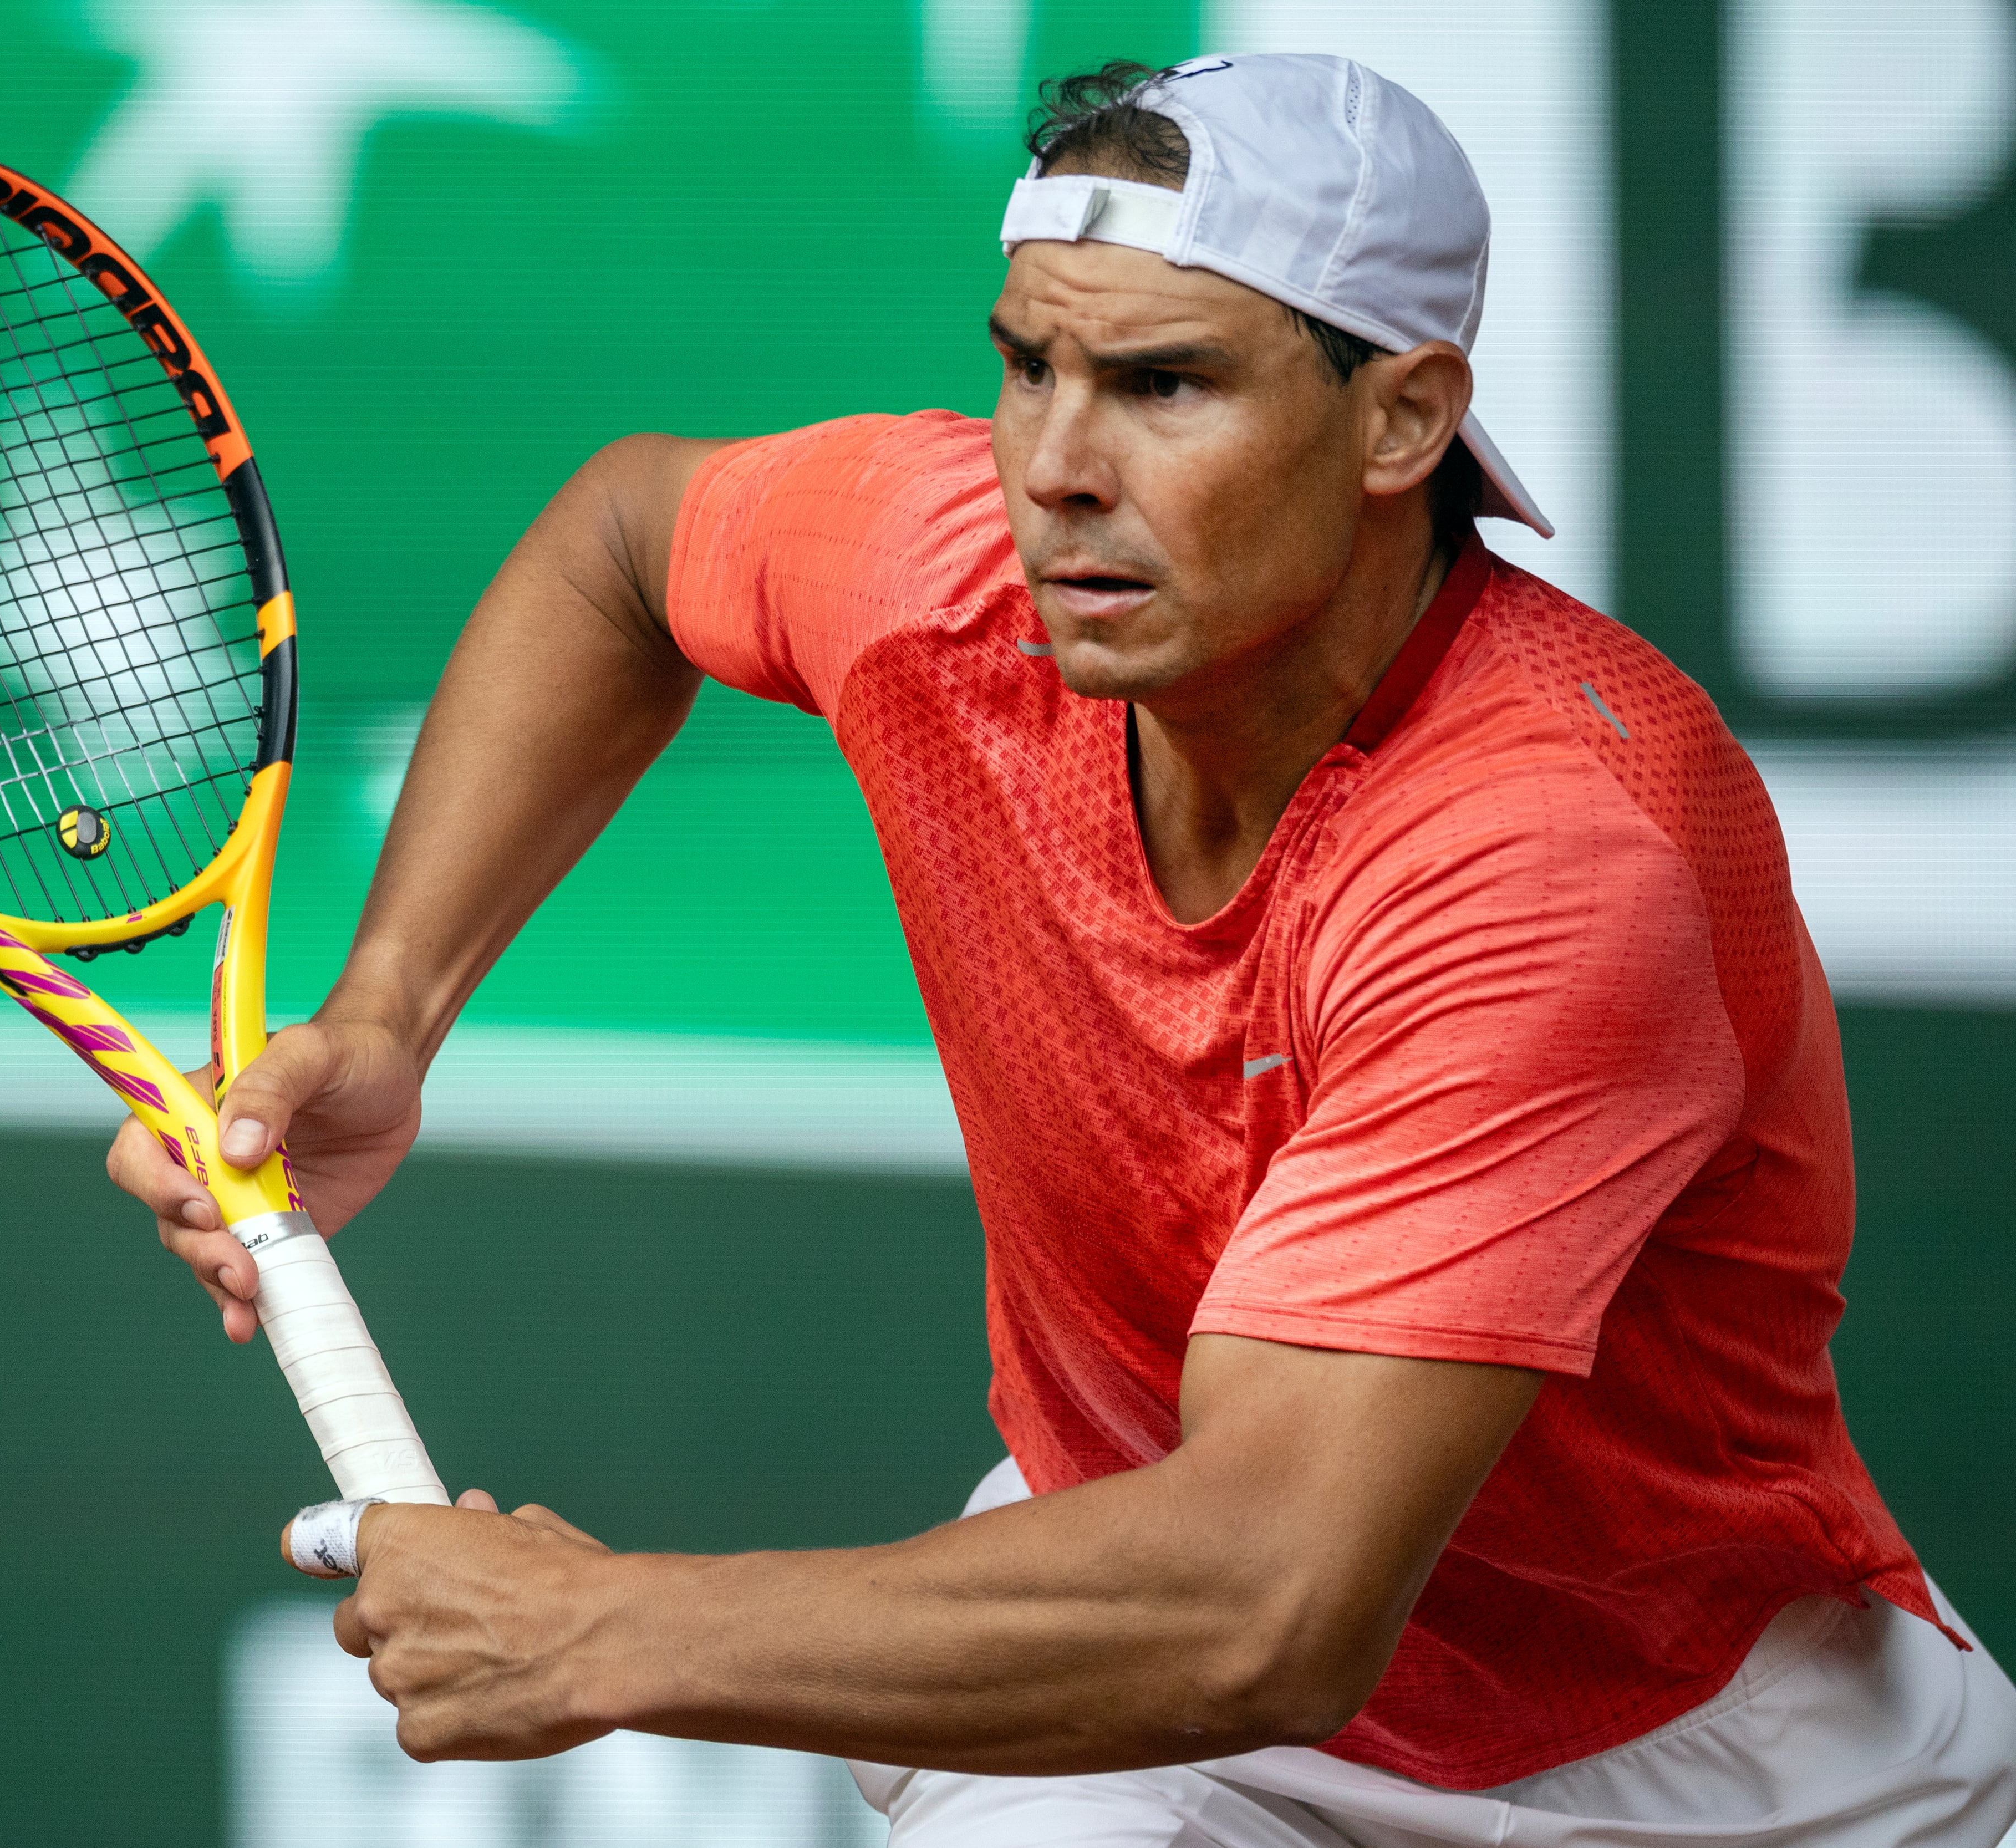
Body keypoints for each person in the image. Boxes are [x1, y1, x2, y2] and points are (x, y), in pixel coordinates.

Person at [108, 54, 2016, 1845]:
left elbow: (1270, 1601)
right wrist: (387, 1017)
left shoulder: (1544, 854)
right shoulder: (954, 570)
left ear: (1404, 419)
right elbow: (626, 540)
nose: (1056, 468)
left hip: (1684, 1759)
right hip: (1135, 1641)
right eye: (1027, 369)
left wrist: (601, 1632)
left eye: (1167, 387)